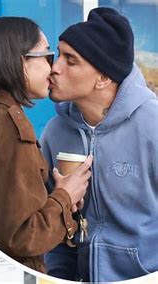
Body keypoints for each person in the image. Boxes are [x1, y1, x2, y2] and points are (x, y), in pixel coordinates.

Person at [0, 17, 93, 273]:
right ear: (20, 62)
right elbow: (23, 236)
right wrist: (66, 196)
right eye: (47, 56)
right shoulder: (9, 126)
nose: (53, 68)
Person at [40, 7, 158, 282]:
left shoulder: (153, 126)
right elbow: (47, 221)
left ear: (104, 77)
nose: (54, 67)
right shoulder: (55, 131)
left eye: (71, 60)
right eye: (59, 54)